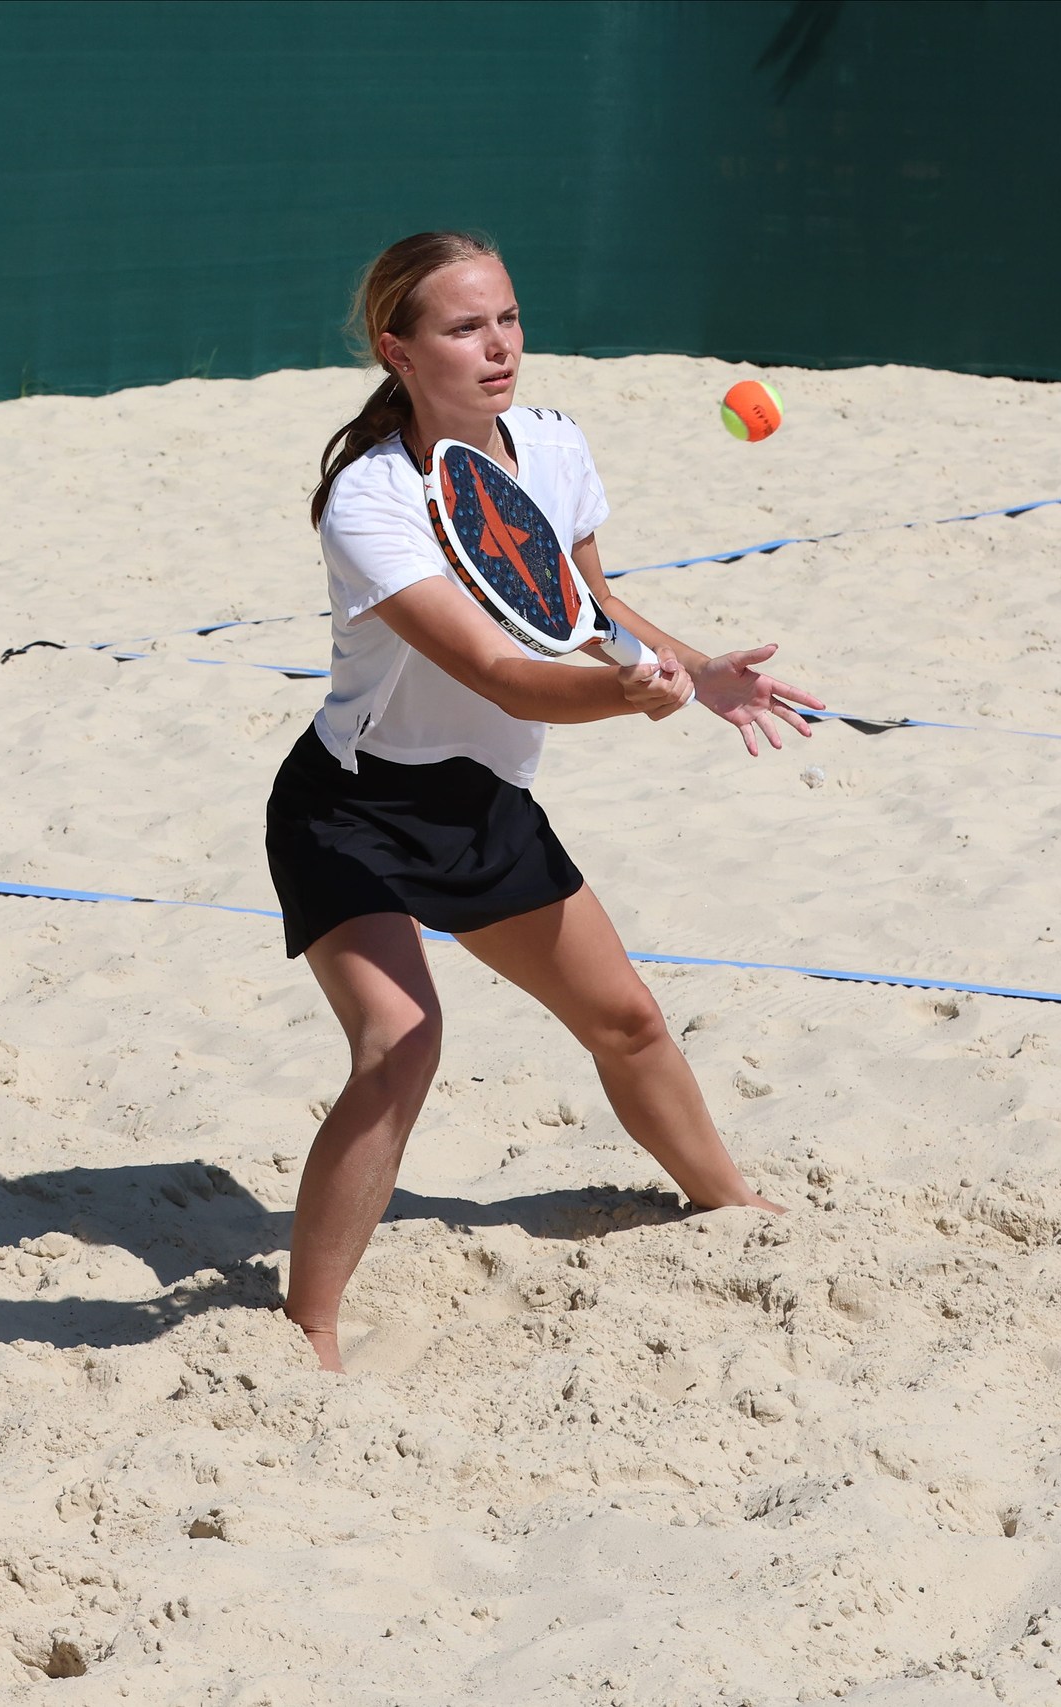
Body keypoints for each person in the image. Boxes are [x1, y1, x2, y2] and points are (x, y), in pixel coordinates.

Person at [268, 231, 815, 1374]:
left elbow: (584, 606)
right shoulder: (370, 499)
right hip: (355, 810)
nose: (499, 347)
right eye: (465, 328)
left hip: (482, 807)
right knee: (400, 1044)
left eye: (508, 318)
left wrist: (692, 669)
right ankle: (309, 1328)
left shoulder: (554, 446)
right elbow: (501, 673)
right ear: (398, 350)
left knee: (627, 1022)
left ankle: (726, 1203)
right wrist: (627, 697)